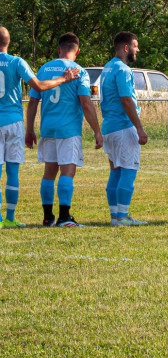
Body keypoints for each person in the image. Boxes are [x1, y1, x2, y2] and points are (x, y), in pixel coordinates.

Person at [0, 27, 79, 227]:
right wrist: (64, 78)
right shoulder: (17, 62)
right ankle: (10, 218)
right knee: (13, 172)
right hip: (13, 121)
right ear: (8, 42)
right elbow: (39, 86)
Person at [25, 32, 103, 227]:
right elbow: (86, 103)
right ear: (77, 51)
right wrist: (97, 131)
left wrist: (30, 129)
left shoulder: (43, 69)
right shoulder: (78, 71)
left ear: (59, 49)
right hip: (68, 130)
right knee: (68, 171)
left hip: (48, 128)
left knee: (49, 173)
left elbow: (33, 101)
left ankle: (47, 217)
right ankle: (64, 217)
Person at [99, 31, 148, 226]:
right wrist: (140, 128)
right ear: (126, 48)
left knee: (116, 171)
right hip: (122, 127)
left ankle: (115, 215)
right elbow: (126, 100)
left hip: (109, 127)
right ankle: (122, 216)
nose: (138, 49)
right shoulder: (123, 70)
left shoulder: (107, 68)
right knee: (128, 170)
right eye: (135, 46)